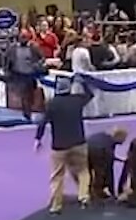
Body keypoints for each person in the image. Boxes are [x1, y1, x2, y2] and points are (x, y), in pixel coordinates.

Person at [34, 79, 95, 213]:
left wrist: (38, 138)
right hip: (79, 142)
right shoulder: (76, 100)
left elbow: (43, 122)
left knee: (57, 176)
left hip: (59, 146)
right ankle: (84, 197)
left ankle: (56, 205)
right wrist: (83, 82)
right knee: (83, 171)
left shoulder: (52, 104)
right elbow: (90, 95)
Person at [86, 126, 128, 203]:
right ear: (119, 137)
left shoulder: (104, 137)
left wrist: (118, 159)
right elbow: (109, 169)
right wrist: (112, 191)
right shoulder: (109, 145)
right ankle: (98, 193)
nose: (125, 140)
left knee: (89, 173)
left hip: (86, 150)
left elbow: (109, 156)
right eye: (124, 138)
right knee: (101, 173)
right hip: (97, 152)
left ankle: (89, 192)